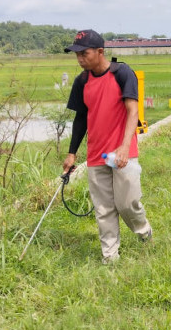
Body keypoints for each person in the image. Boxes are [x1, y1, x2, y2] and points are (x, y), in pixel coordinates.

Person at [63, 29, 152, 265]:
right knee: (103, 209)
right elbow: (80, 119)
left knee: (127, 204)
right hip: (96, 154)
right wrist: (72, 153)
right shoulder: (82, 81)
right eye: (77, 55)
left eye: (85, 54)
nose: (80, 59)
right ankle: (110, 257)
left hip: (122, 153)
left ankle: (143, 230)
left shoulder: (122, 73)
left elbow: (133, 110)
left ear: (100, 52)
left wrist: (124, 146)